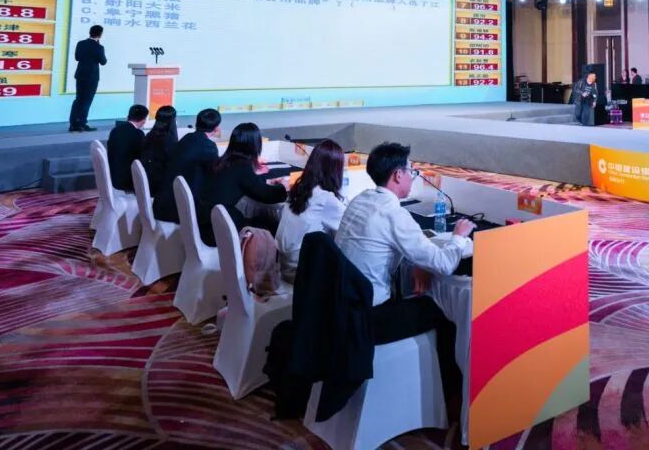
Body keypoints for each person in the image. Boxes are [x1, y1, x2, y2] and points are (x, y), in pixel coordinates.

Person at [335, 142, 473, 410]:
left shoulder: (360, 201)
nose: (412, 177)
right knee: (441, 310)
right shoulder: (394, 214)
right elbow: (444, 264)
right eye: (411, 172)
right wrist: (458, 237)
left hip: (342, 308)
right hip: (369, 318)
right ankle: (447, 400)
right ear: (398, 175)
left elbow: (385, 247)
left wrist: (421, 263)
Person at [197, 122, 287, 246]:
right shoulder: (242, 166)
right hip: (217, 232)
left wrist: (265, 181)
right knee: (269, 224)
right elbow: (266, 195)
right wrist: (283, 187)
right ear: (254, 144)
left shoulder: (223, 161)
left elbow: (248, 183)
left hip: (206, 223)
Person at [276, 139, 348, 282]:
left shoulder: (299, 189)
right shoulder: (325, 198)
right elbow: (347, 225)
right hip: (301, 272)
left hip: (284, 265)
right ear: (335, 170)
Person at [152, 108, 221, 223]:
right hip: (179, 210)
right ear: (216, 128)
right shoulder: (208, 146)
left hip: (163, 203)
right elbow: (214, 175)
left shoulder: (187, 138)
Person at [69, 25, 107, 132]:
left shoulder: (80, 43)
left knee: (78, 99)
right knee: (87, 100)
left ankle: (73, 123)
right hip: (92, 77)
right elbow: (103, 61)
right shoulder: (99, 47)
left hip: (80, 75)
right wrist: (98, 47)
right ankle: (82, 123)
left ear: (90, 32)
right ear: (100, 34)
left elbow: (77, 57)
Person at [106, 104, 148, 191]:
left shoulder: (115, 130)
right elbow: (142, 158)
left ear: (128, 116)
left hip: (112, 177)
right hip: (128, 182)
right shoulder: (138, 134)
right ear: (144, 120)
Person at [141, 105, 179, 195]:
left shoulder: (150, 135)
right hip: (159, 188)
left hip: (148, 183)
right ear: (172, 120)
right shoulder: (169, 140)